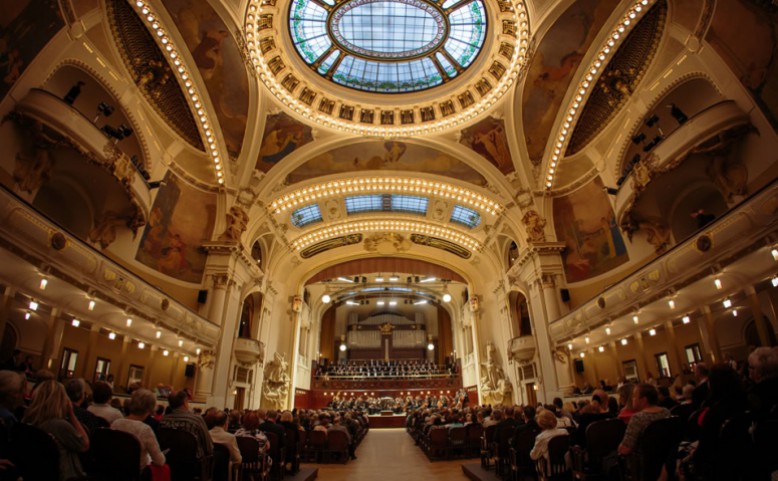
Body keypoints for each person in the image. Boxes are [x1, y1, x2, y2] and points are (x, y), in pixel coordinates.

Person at [22, 380, 89, 481]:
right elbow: (84, 445)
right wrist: (71, 415)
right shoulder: (59, 425)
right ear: (61, 400)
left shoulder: (27, 420)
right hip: (67, 476)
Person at [111, 389, 166, 470]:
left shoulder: (116, 423)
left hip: (114, 468)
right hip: (136, 472)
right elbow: (160, 461)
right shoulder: (145, 430)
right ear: (150, 408)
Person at [617, 384, 670, 456]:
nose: (632, 399)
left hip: (644, 461)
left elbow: (626, 450)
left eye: (634, 396)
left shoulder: (637, 418)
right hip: (666, 456)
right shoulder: (666, 412)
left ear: (644, 400)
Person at [159, 390, 213, 460]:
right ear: (185, 402)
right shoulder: (196, 420)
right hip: (193, 464)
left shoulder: (163, 421)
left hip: (168, 462)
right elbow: (208, 448)